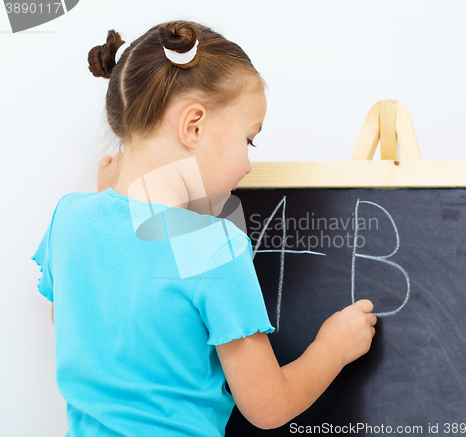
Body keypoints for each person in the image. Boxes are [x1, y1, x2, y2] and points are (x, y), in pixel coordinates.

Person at [31, 20, 377, 437]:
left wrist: (109, 200)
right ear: (193, 126)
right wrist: (333, 348)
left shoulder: (69, 218)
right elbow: (268, 405)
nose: (248, 165)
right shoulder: (213, 246)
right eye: (248, 140)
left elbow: (77, 320)